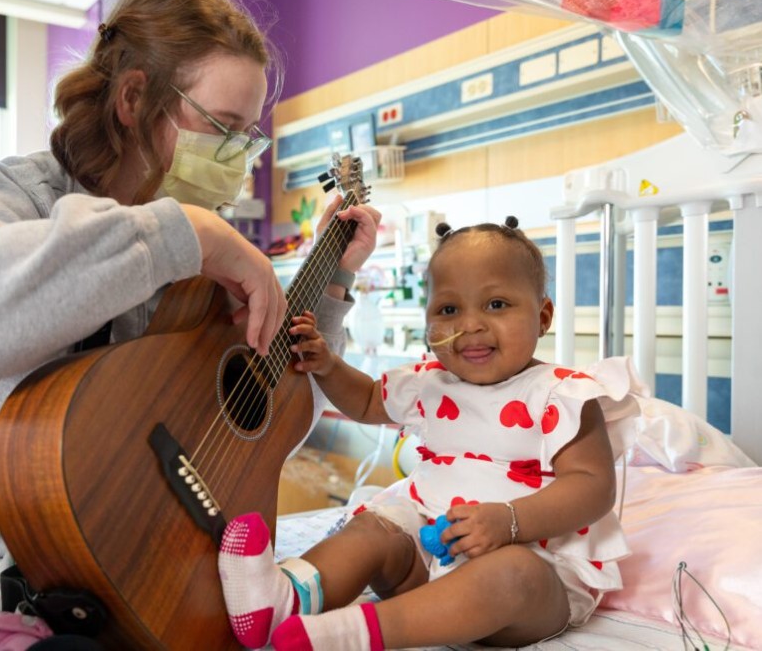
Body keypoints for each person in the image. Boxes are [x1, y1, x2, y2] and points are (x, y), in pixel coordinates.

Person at [0, 0, 380, 566]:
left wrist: (333, 282)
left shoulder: (203, 260)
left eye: (247, 135)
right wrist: (187, 234)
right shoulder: (19, 194)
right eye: (223, 126)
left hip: (78, 561)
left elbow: (266, 415)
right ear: (134, 99)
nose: (238, 156)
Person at [217, 217, 633, 650]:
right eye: (448, 310)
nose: (470, 325)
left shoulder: (560, 394)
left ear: (542, 315)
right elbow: (363, 402)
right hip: (425, 558)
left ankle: (356, 633)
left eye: (496, 305)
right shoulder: (429, 383)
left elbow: (593, 486)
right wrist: (328, 366)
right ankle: (285, 595)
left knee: (511, 572)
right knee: (373, 529)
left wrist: (510, 522)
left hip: (534, 576)